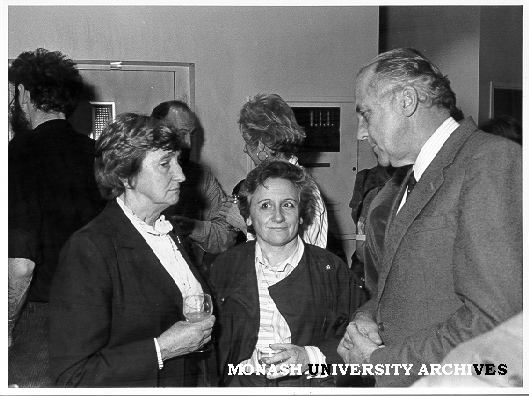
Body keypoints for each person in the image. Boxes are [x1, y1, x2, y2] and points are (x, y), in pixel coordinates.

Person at [337, 48, 522, 387]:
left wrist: (383, 363)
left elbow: (493, 322)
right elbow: (409, 290)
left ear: (406, 101)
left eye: (365, 114)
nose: (361, 132)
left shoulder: (490, 162)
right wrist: (369, 316)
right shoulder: (407, 181)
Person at [49, 114, 215, 387]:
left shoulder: (168, 231)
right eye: (165, 164)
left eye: (178, 161)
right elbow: (73, 377)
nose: (181, 175)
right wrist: (161, 349)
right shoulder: (90, 249)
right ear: (126, 175)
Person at [8, 48, 106, 387]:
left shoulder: (18, 154)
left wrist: (5, 329)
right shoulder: (99, 156)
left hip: (39, 321)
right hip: (100, 317)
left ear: (22, 94)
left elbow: (21, 264)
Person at [211, 160, 352, 387]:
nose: (278, 217)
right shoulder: (226, 266)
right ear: (247, 217)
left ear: (302, 214)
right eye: (265, 206)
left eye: (287, 205)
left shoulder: (330, 270)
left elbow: (358, 347)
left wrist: (311, 358)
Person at [220, 93, 328, 249]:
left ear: (262, 145)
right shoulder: (279, 180)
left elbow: (290, 256)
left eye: (248, 143)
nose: (245, 150)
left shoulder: (302, 187)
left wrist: (244, 225)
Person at [151, 100, 237, 279]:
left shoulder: (201, 176)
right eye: (181, 133)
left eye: (191, 134)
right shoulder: (138, 175)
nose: (189, 143)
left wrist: (192, 227)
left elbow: (225, 236)